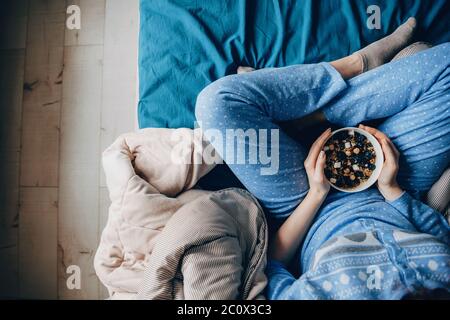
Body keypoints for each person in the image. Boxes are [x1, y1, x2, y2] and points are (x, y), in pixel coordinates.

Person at [195, 17, 450, 299]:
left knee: (217, 103)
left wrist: (316, 194)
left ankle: (338, 84)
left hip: (305, 204)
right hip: (396, 183)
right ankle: (346, 79)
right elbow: (440, 234)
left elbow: (273, 264)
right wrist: (393, 191)